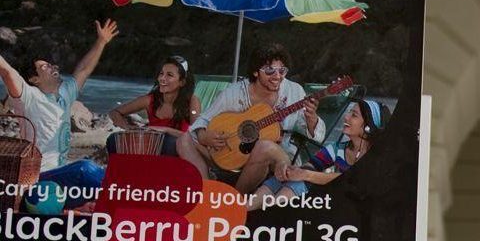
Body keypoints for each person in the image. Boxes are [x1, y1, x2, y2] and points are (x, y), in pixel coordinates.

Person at [0, 20, 118, 208]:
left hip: (61, 182)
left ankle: (128, 202)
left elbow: (84, 69)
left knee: (97, 172)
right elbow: (6, 72)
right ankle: (133, 196)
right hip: (37, 181)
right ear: (34, 78)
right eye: (44, 67)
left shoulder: (65, 93)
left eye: (51, 64)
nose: (53, 67)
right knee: (84, 169)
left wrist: (101, 41)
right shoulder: (29, 96)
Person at [181, 43, 324, 193]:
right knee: (184, 140)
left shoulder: (294, 91)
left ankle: (234, 202)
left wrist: (311, 118)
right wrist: (204, 136)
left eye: (282, 71)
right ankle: (207, 192)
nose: (277, 76)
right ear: (256, 72)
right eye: (269, 71)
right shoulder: (235, 93)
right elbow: (201, 121)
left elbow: (317, 138)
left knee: (263, 147)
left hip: (277, 158)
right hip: (234, 155)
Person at [249, 98, 389, 210]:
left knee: (303, 178)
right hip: (332, 201)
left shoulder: (377, 155)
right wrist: (290, 172)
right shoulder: (337, 149)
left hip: (356, 210)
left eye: (354, 115)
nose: (346, 117)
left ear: (368, 126)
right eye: (349, 112)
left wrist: (306, 174)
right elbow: (312, 165)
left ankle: (269, 215)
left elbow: (350, 181)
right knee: (289, 177)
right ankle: (246, 209)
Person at [106, 55, 205, 176]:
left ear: (182, 82)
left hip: (179, 151)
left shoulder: (192, 102)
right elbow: (115, 112)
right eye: (161, 73)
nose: (162, 78)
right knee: (113, 140)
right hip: (151, 148)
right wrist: (129, 129)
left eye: (169, 75)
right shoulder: (150, 100)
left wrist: (165, 130)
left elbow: (195, 135)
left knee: (169, 143)